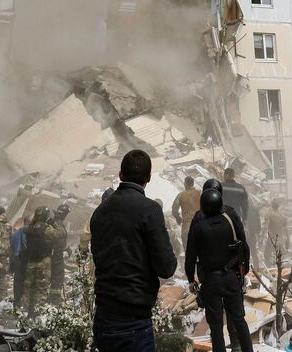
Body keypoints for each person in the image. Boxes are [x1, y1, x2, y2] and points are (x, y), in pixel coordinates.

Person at [90, 150, 176, 352]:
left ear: (121, 175)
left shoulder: (99, 212)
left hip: (104, 317)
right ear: (148, 178)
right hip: (134, 320)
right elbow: (166, 267)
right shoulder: (150, 210)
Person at [186, 188, 253, 352]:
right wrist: (242, 272)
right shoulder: (229, 221)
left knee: (216, 327)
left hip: (210, 281)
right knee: (239, 320)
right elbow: (243, 247)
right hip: (230, 277)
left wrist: (190, 279)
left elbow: (190, 258)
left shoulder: (198, 227)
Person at [23, 207, 58, 316]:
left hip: (30, 262)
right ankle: (37, 316)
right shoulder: (47, 229)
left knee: (28, 288)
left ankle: (24, 314)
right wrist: (54, 223)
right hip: (44, 261)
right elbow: (60, 235)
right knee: (41, 289)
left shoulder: (30, 228)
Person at [49, 203, 72, 305]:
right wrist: (65, 248)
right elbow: (58, 240)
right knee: (57, 276)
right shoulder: (55, 224)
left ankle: (52, 297)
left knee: (55, 275)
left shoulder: (55, 222)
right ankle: (54, 299)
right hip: (55, 255)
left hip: (55, 253)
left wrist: (67, 248)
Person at [171, 176, 202, 251]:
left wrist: (178, 218)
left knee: (189, 254)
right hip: (201, 226)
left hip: (187, 228)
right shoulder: (200, 193)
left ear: (185, 184)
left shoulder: (181, 195)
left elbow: (174, 209)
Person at [265, 198, 290, 266]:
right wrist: (288, 240)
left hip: (271, 239)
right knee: (280, 258)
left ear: (272, 205)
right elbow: (287, 229)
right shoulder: (283, 216)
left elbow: (265, 227)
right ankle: (279, 273)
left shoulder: (269, 215)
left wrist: (261, 238)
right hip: (280, 240)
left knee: (266, 255)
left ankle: (270, 271)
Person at [10, 218, 28, 310]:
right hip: (27, 260)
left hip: (17, 259)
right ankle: (24, 304)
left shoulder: (16, 233)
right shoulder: (31, 232)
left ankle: (17, 303)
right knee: (27, 281)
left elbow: (11, 249)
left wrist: (11, 266)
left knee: (17, 282)